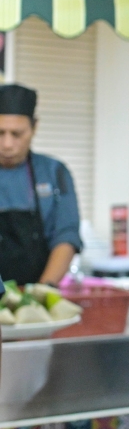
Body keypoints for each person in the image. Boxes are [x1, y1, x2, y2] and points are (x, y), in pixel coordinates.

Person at [0, 84, 82, 285]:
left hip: (39, 292)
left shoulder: (54, 172)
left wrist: (41, 294)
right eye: (0, 133)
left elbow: (66, 235)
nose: (7, 144)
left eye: (17, 134)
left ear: (34, 127)